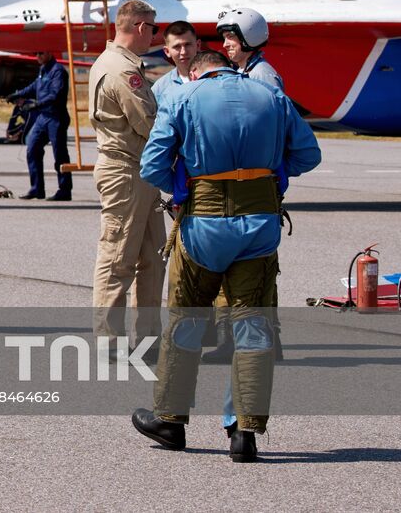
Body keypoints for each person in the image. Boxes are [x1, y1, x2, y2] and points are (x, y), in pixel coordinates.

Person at [132, 49, 321, 462]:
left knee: (186, 319)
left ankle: (170, 420)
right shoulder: (271, 95)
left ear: (196, 71)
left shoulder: (185, 97)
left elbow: (152, 166)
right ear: (229, 68)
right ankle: (244, 432)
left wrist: (185, 189)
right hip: (260, 224)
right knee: (253, 324)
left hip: (204, 225)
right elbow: (309, 155)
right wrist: (270, 181)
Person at [87, 0, 165, 346]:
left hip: (140, 172)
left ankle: (146, 337)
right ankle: (108, 338)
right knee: (118, 257)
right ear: (139, 27)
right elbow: (150, 123)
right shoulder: (121, 70)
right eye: (153, 28)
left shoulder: (119, 63)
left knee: (152, 257)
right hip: (126, 172)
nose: (155, 35)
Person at [8, 50, 71, 201]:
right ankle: (37, 189)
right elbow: (34, 87)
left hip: (56, 117)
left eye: (41, 53)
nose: (38, 56)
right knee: (33, 148)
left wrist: (36, 105)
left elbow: (56, 94)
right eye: (36, 53)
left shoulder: (58, 71)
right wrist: (17, 94)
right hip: (43, 117)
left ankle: (64, 190)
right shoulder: (43, 69)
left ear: (50, 52)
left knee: (60, 154)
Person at [216, 8, 283, 91]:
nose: (225, 45)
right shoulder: (243, 71)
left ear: (247, 36)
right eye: (224, 38)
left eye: (230, 36)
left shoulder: (261, 75)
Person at [153, 21, 200, 103]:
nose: (183, 52)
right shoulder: (159, 89)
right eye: (177, 47)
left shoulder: (214, 80)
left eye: (187, 45)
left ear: (198, 45)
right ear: (167, 51)